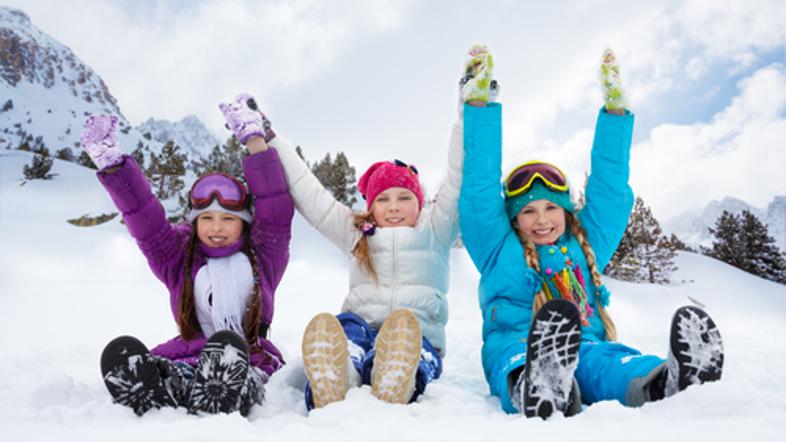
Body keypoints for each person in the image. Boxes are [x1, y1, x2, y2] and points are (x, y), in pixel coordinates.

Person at [218, 45, 497, 411]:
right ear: (370, 206)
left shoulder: (436, 228)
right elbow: (310, 193)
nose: (393, 207)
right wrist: (269, 137)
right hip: (359, 324)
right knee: (346, 338)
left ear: (420, 201)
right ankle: (338, 376)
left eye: (403, 198)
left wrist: (470, 110)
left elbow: (459, 175)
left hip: (416, 333)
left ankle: (398, 371)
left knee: (410, 344)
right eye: (383, 199)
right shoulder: (356, 233)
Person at [458, 48, 724, 419]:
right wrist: (479, 106)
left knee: (608, 363)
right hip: (514, 344)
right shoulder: (496, 246)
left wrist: (616, 114)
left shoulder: (587, 243)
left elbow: (609, 190)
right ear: (513, 219)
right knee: (516, 363)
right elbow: (478, 188)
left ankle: (665, 381)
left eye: (552, 207)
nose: (541, 219)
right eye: (528, 211)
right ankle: (539, 390)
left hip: (585, 342)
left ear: (567, 212)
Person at [80, 104, 294, 417]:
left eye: (227, 219)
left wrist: (254, 142)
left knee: (245, 377)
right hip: (190, 353)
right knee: (177, 374)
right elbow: (144, 218)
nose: (217, 228)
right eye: (206, 218)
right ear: (194, 222)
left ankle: (228, 389)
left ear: (245, 222)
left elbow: (275, 206)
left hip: (249, 358)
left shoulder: (263, 254)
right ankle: (158, 387)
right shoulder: (178, 255)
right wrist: (114, 166)